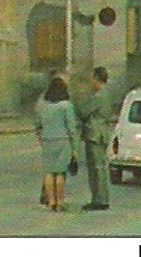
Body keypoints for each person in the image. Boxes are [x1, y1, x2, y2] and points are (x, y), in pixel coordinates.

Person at [34, 73, 80, 212]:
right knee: (60, 173)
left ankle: (51, 201)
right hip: (63, 140)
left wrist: (41, 136)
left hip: (48, 140)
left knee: (48, 172)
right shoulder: (66, 106)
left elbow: (38, 124)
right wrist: (75, 147)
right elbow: (71, 127)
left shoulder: (44, 106)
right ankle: (60, 202)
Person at [77, 66, 114, 211]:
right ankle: (99, 197)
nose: (90, 82)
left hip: (95, 134)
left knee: (96, 168)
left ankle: (100, 199)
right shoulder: (105, 94)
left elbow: (84, 111)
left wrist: (80, 97)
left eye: (92, 79)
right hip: (100, 133)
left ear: (97, 79)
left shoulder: (99, 96)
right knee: (98, 168)